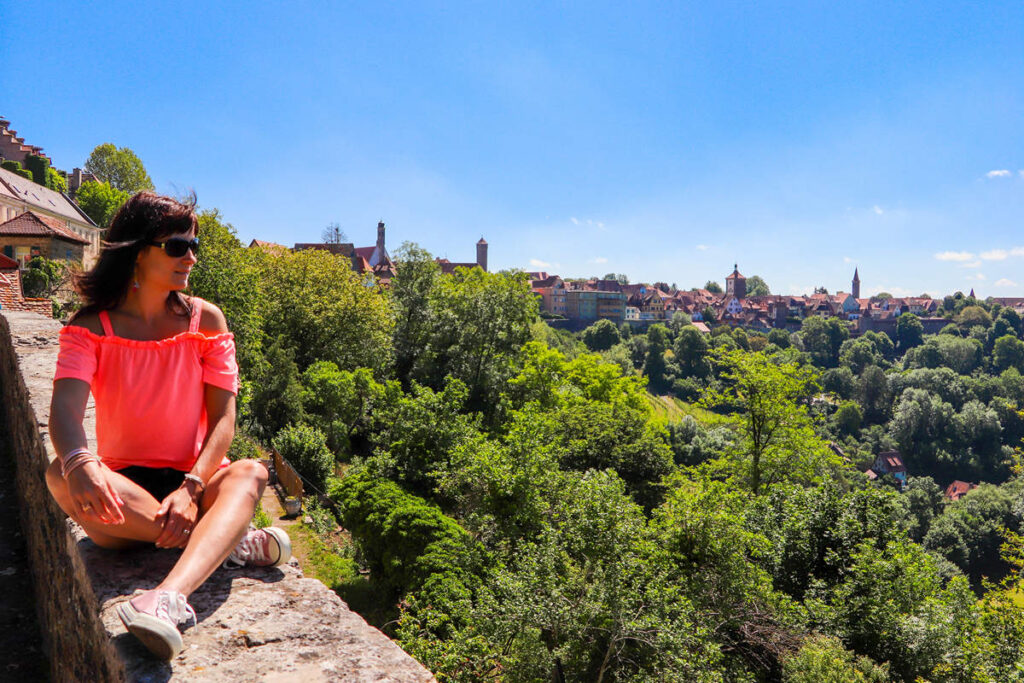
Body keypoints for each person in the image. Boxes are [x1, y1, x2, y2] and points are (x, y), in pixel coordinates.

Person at [46, 191, 290, 660]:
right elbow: (64, 411)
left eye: (194, 245)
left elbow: (223, 419)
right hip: (123, 496)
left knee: (252, 473)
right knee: (61, 472)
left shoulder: (206, 320)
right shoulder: (92, 326)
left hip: (194, 483)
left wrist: (194, 487)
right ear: (138, 251)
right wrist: (80, 462)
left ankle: (164, 598)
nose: (191, 257)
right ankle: (226, 540)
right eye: (177, 246)